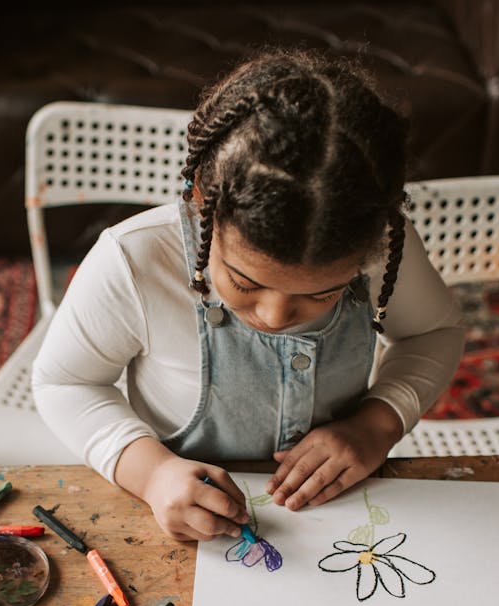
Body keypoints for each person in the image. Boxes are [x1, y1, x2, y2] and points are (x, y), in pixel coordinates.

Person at [32, 48, 465, 542]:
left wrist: (378, 424)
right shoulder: (136, 261)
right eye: (244, 282)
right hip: (176, 511)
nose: (275, 314)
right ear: (201, 201)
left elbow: (435, 333)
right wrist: (150, 473)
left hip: (339, 511)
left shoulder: (382, 247)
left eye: (323, 293)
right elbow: (65, 384)